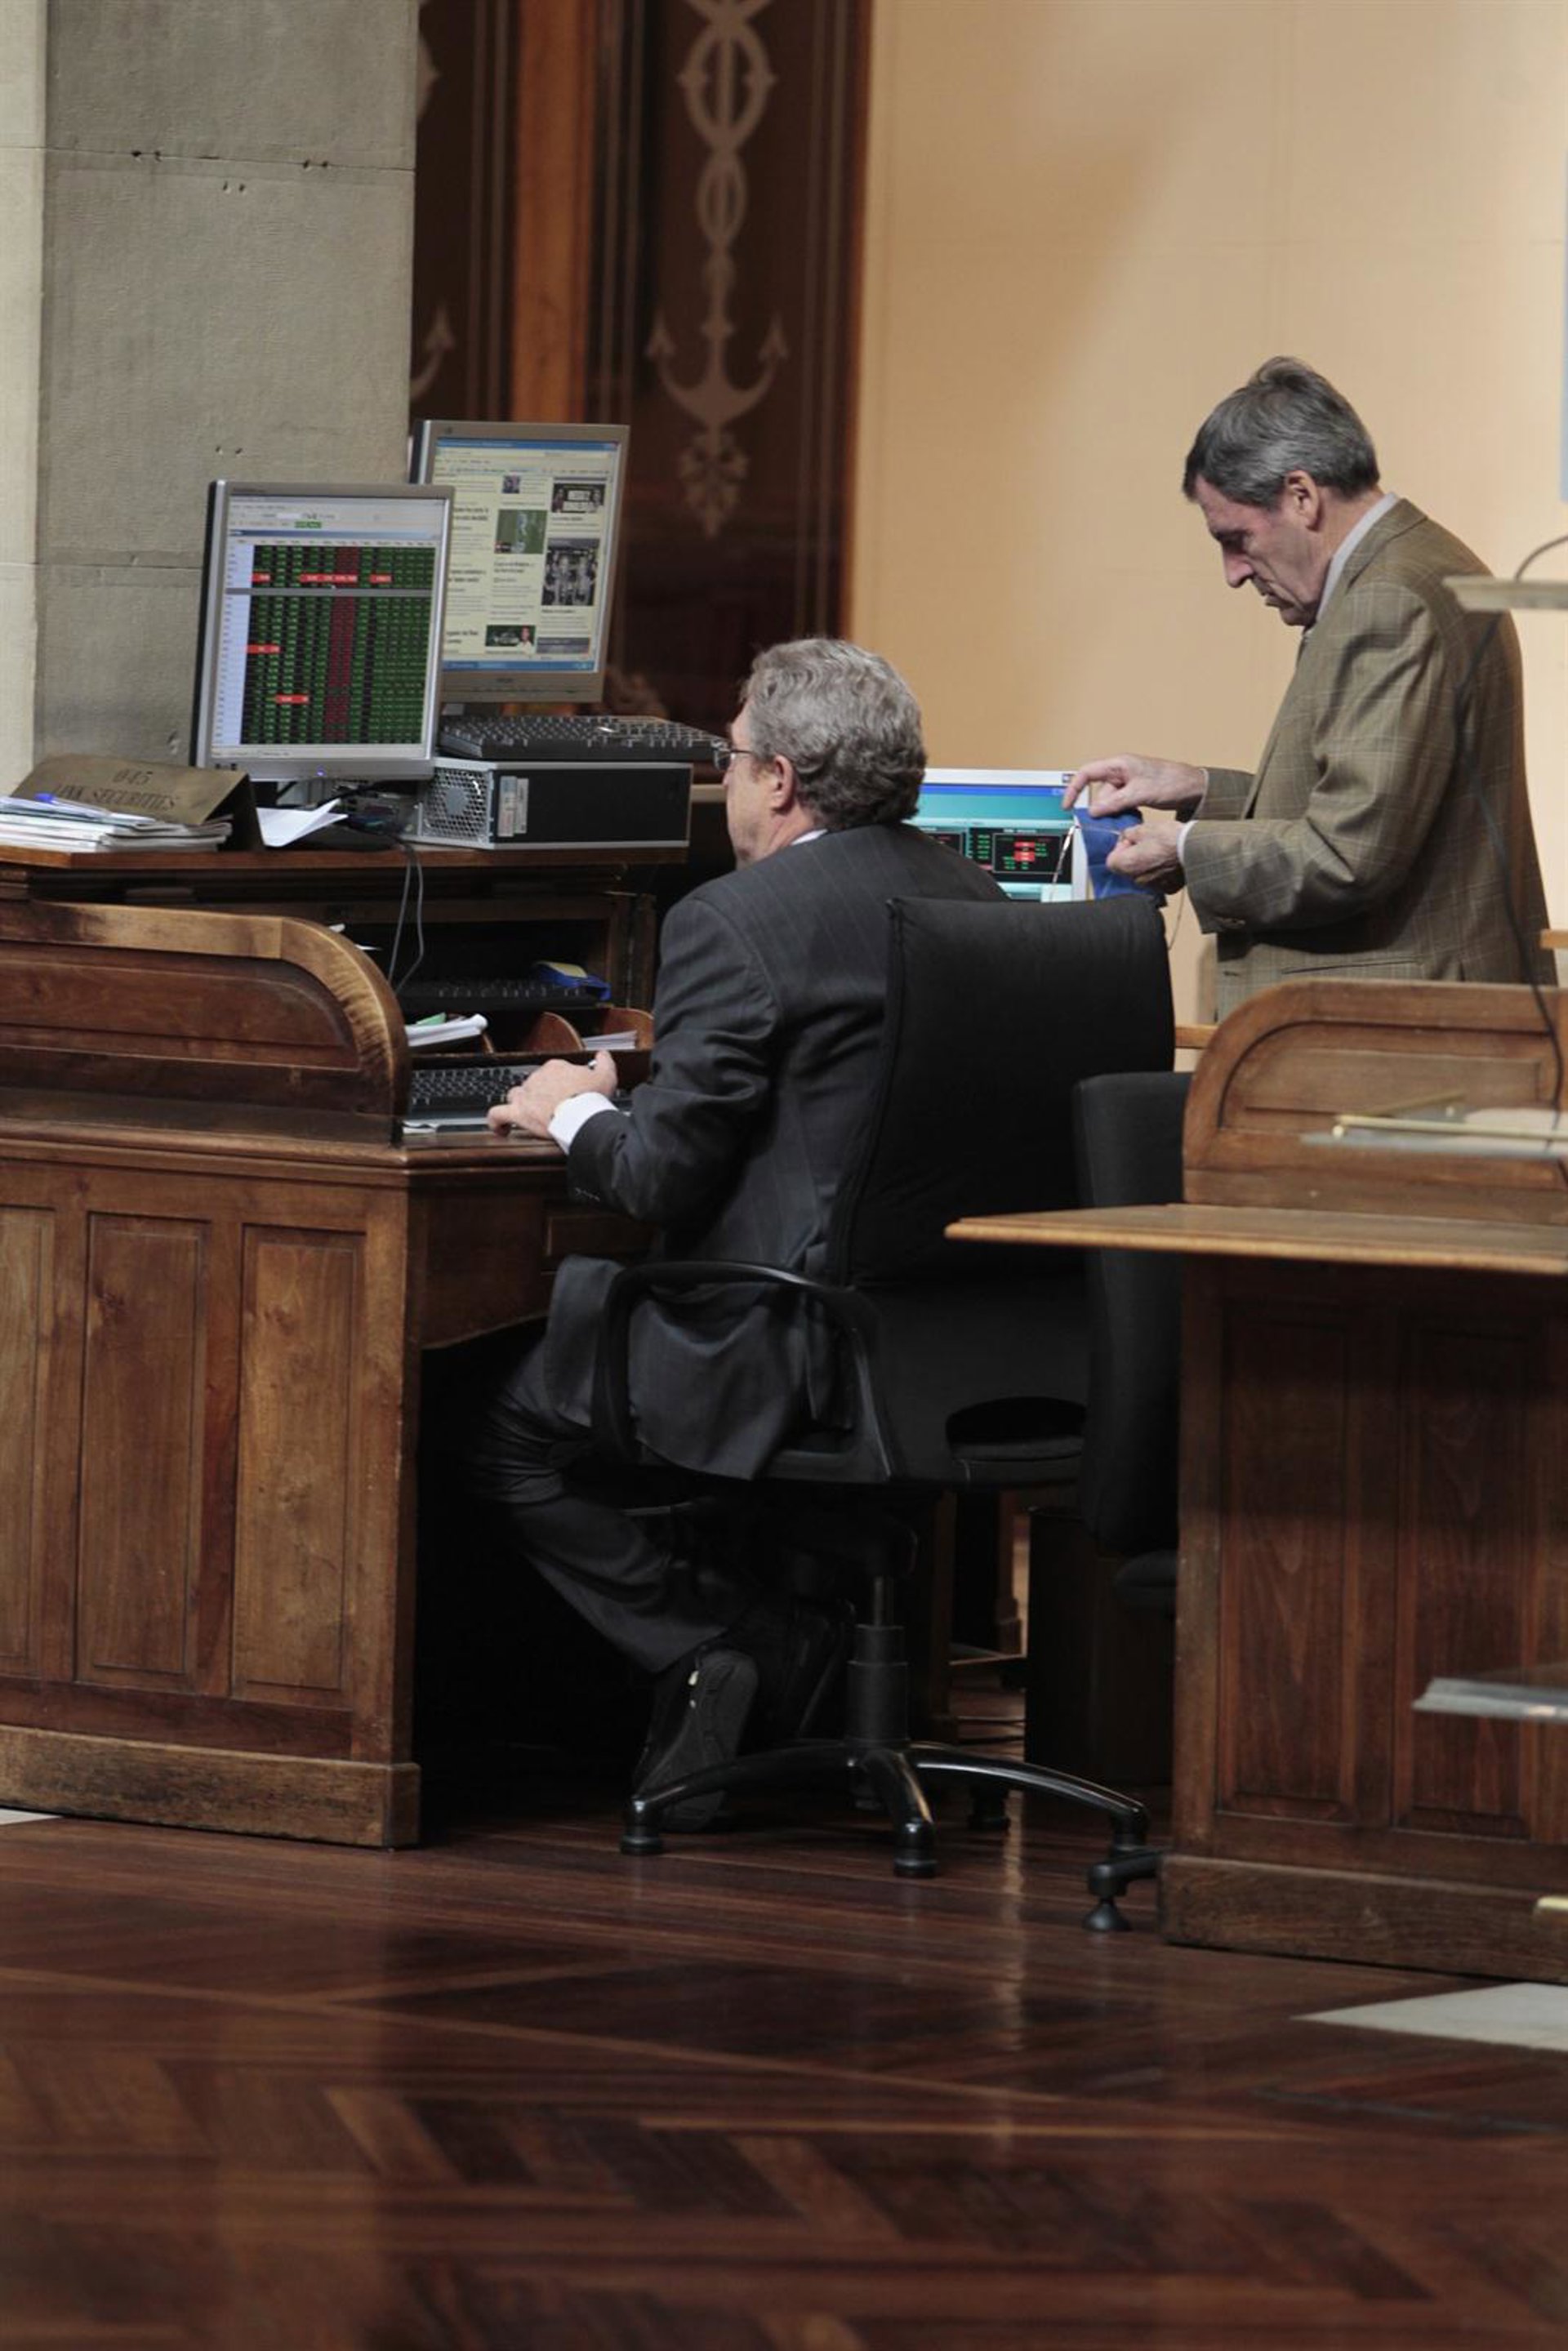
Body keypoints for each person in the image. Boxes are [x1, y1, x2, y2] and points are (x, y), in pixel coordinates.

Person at [463, 638, 1004, 1817]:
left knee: (502, 1425)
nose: (728, 779)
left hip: (785, 1345)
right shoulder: (983, 901)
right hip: (961, 1348)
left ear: (781, 780)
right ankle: (772, 1657)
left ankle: (730, 1638)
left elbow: (657, 1177)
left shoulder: (738, 918)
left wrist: (571, 1111)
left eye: (732, 756)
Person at [1065, 358, 1550, 1015]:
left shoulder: (1390, 599)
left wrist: (1184, 849)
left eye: (1236, 538)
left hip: (1394, 1033)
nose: (1234, 573)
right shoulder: (1410, 567)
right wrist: (1199, 789)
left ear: (1301, 495)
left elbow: (1347, 854)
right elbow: (1361, 803)